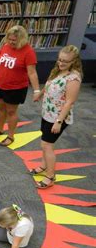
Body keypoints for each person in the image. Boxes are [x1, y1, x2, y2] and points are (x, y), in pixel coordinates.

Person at [32, 45, 82, 189]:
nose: (61, 63)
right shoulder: (57, 70)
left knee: (46, 145)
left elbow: (69, 102)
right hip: (47, 113)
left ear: (74, 61)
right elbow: (49, 85)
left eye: (65, 61)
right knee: (45, 141)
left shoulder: (73, 78)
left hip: (58, 117)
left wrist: (58, 122)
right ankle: (43, 165)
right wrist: (40, 94)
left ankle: (50, 176)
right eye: (59, 60)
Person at [0, 25, 40, 146]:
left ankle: (10, 136)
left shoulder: (28, 52)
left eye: (14, 40)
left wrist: (36, 91)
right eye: (9, 39)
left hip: (16, 88)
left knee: (11, 112)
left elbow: (32, 72)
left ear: (22, 39)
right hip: (0, 84)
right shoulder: (6, 46)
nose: (11, 42)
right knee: (1, 108)